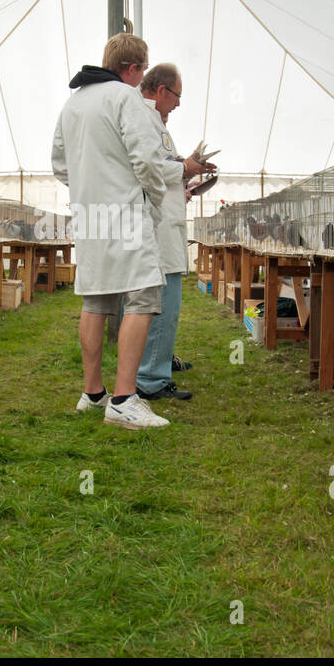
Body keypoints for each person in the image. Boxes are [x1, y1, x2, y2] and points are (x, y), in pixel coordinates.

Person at [51, 33, 204, 428]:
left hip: (90, 215)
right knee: (143, 298)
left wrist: (91, 188)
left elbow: (59, 166)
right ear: (134, 68)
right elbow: (149, 162)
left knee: (96, 301)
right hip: (126, 215)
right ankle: (124, 398)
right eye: (141, 72)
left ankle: (93, 392)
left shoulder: (72, 104)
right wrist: (153, 200)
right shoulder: (125, 98)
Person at [135, 63, 203, 401]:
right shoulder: (144, 118)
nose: (177, 104)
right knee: (163, 301)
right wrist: (184, 167)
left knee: (167, 301)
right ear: (161, 91)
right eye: (176, 96)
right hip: (158, 226)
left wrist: (186, 175)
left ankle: (157, 365)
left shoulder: (155, 122)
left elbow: (162, 168)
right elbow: (149, 167)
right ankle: (150, 378)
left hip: (167, 221)